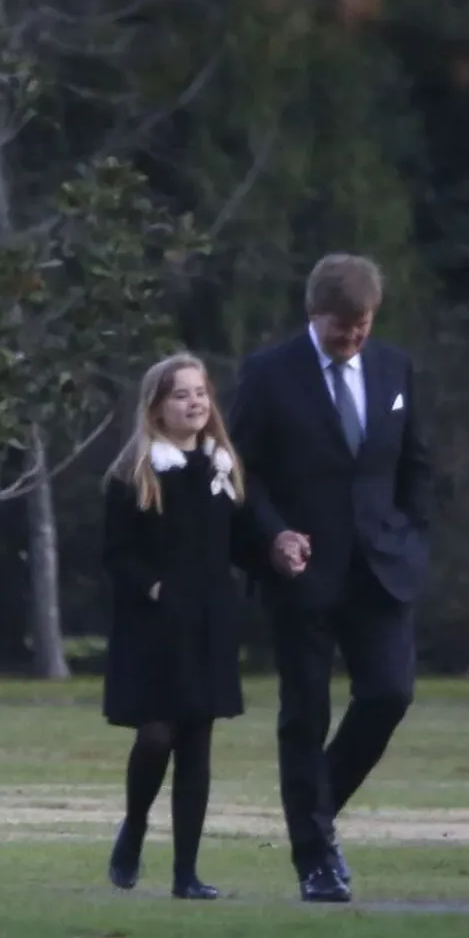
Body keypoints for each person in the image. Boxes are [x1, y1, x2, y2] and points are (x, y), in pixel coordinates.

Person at [230, 253, 431, 903]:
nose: (354, 338)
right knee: (305, 712)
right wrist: (273, 535)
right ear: (313, 315)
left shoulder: (394, 367)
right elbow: (243, 471)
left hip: (381, 568)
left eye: (363, 325)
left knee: (390, 694)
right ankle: (314, 855)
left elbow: (414, 464)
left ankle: (315, 811)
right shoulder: (267, 375)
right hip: (304, 570)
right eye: (342, 327)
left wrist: (414, 537)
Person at [102, 352, 251, 900]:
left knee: (196, 744)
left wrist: (281, 547)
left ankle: (186, 874)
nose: (195, 402)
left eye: (201, 393)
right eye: (181, 394)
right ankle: (134, 826)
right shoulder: (135, 475)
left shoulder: (221, 468)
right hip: (155, 629)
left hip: (209, 623)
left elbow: (243, 536)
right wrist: (154, 587)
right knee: (156, 734)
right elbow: (116, 555)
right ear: (157, 408)